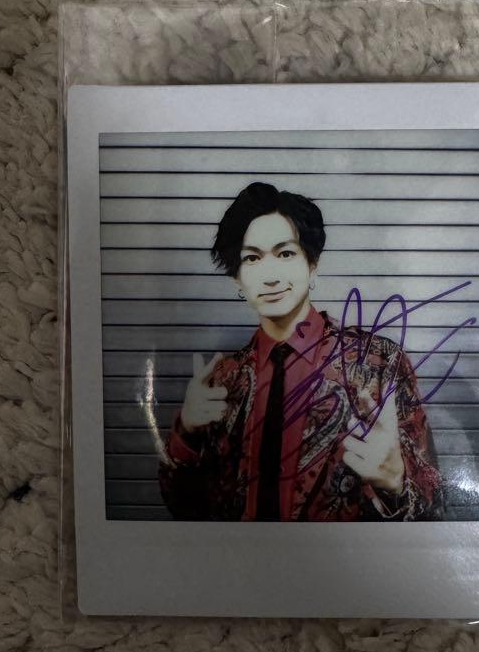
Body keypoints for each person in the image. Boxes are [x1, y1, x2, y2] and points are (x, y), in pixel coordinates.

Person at [158, 181, 444, 521]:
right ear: (237, 278)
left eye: (285, 254)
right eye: (252, 258)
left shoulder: (379, 363)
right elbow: (183, 510)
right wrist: (187, 434)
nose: (270, 276)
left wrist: (395, 484)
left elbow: (435, 508)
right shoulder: (222, 381)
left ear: (312, 263)